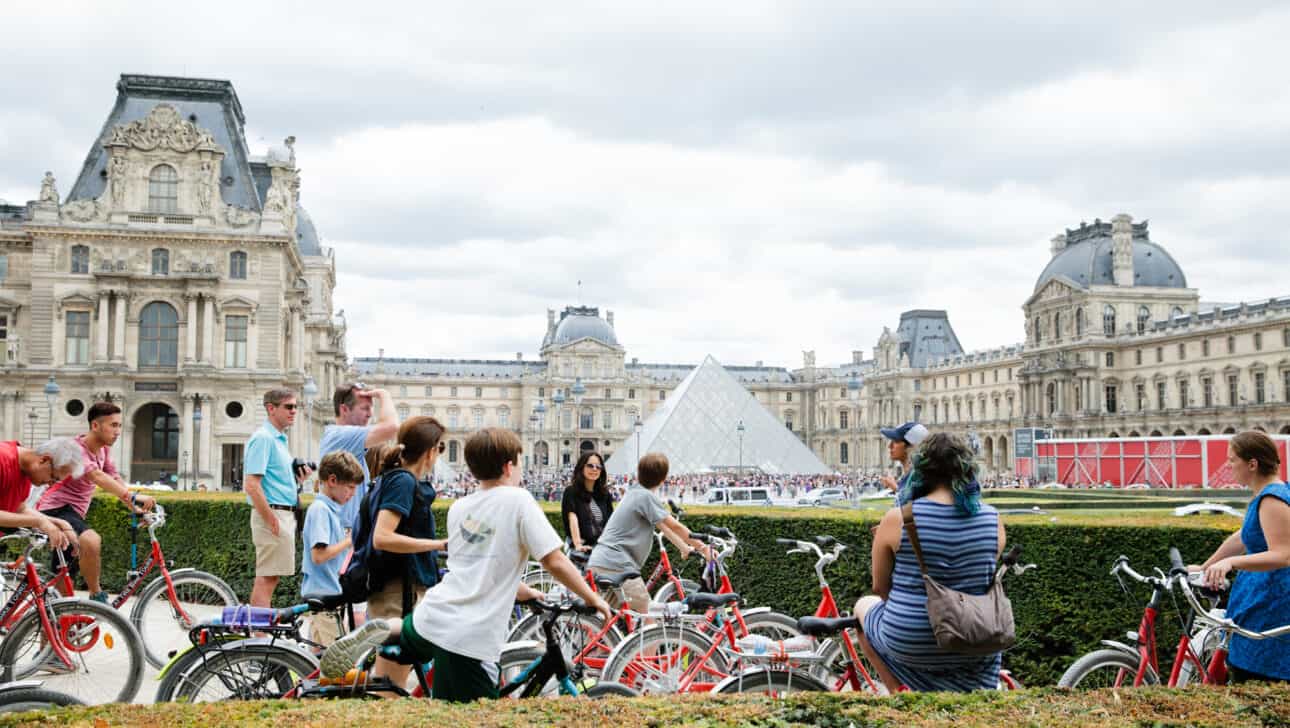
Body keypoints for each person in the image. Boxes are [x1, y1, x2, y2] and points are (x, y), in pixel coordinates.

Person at [320, 427, 612, 702]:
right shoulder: (519, 500)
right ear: (510, 466)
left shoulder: (461, 507)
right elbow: (554, 561)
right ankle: (392, 629)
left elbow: (475, 565)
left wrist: (523, 591)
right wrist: (593, 597)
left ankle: (392, 629)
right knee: (470, 715)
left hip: (431, 616)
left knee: (421, 663)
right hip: (468, 636)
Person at [854, 432, 1005, 693]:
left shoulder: (897, 519)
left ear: (921, 470)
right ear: (966, 469)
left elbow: (880, 588)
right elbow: (980, 575)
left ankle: (897, 695)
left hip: (911, 639)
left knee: (862, 607)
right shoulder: (994, 520)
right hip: (977, 638)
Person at [1189, 431, 1290, 683]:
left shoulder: (1271, 499)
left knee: (1257, 681)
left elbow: (1283, 554)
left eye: (1233, 460)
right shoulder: (1268, 494)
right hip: (1262, 605)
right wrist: (1205, 566)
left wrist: (1231, 562)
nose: (1228, 465)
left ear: (1252, 464)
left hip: (1271, 607)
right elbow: (1243, 537)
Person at [35, 402, 156, 603]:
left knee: (62, 584)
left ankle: (54, 628)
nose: (118, 431)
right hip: (55, 508)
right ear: (95, 426)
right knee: (91, 540)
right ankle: (97, 596)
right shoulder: (78, 449)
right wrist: (133, 496)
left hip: (72, 514)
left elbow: (113, 477)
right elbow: (97, 476)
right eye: (113, 425)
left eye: (119, 426)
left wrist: (133, 506)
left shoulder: (103, 451)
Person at [361, 416, 449, 687]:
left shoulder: (394, 479)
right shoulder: (404, 482)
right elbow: (383, 537)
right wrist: (438, 545)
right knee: (388, 690)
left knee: (389, 685)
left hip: (398, 589)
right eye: (441, 448)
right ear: (431, 451)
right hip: (399, 593)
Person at [586, 453, 710, 613]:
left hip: (602, 560)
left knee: (607, 617)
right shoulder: (645, 497)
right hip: (618, 564)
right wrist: (704, 548)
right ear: (663, 479)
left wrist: (683, 547)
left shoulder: (635, 492)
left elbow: (662, 525)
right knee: (648, 614)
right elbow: (675, 526)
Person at [244, 388, 311, 607]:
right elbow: (252, 485)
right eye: (289, 406)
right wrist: (271, 519)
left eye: (296, 407)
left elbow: (272, 483)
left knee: (270, 577)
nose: (294, 411)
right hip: (275, 514)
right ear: (271, 408)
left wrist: (297, 482)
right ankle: (258, 635)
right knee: (267, 578)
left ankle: (258, 633)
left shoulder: (277, 439)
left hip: (281, 513)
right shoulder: (264, 438)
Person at [301, 451, 364, 648]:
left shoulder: (328, 509)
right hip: (324, 596)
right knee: (334, 665)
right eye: (350, 487)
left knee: (321, 658)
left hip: (327, 595)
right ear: (332, 480)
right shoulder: (321, 510)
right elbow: (318, 556)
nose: (353, 494)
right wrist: (349, 540)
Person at [319, 383, 400, 531]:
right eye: (365, 408)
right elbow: (391, 428)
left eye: (371, 408)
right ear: (344, 409)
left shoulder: (347, 441)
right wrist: (384, 394)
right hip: (342, 532)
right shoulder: (341, 436)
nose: (370, 414)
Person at [0, 438, 84, 551]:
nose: (50, 485)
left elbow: (18, 508)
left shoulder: (25, 471)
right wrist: (39, 522)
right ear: (44, 460)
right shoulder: (2, 458)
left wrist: (55, 521)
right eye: (53, 478)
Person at [561, 451, 614, 552]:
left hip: (600, 547)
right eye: (590, 465)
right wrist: (577, 544)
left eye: (598, 467)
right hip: (580, 547)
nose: (594, 469)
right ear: (581, 467)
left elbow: (610, 522)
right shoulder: (571, 491)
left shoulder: (604, 494)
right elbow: (572, 517)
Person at [879, 422, 930, 499]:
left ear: (910, 446)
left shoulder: (918, 478)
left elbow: (912, 506)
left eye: (895, 441)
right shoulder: (912, 476)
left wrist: (895, 488)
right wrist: (895, 487)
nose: (890, 446)